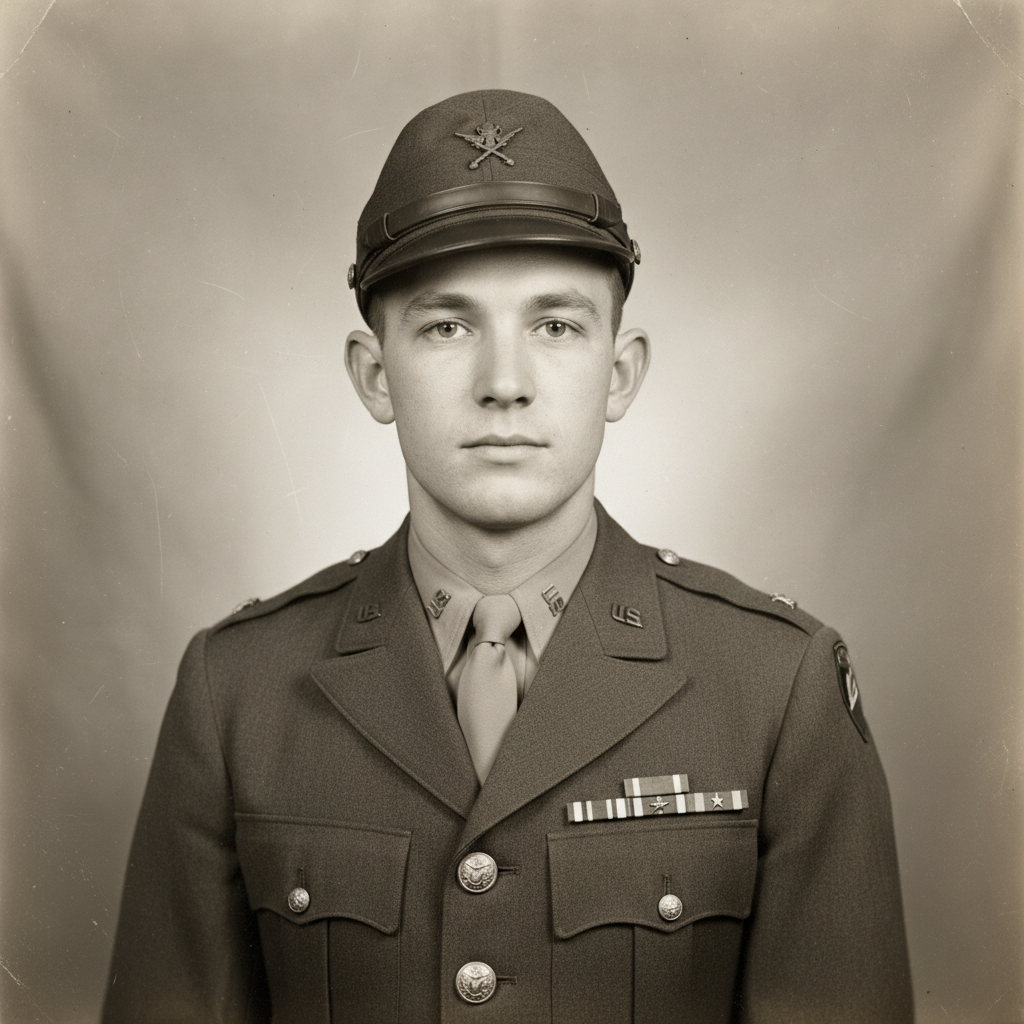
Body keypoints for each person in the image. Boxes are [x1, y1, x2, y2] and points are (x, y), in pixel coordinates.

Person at [103, 89, 913, 1023]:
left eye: (556, 326)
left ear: (620, 372)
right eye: (447, 327)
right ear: (375, 375)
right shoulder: (236, 692)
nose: (503, 385)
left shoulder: (777, 687)